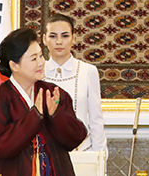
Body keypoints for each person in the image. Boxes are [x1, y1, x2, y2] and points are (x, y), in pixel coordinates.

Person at [0, 27, 86, 176]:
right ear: (14, 65)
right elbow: (2, 146)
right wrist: (35, 115)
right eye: (33, 59)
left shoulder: (53, 93)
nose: (41, 63)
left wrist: (55, 115)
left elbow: (76, 138)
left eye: (41, 56)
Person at [43, 13, 107, 154]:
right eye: (53, 36)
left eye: (65, 36)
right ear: (44, 39)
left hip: (83, 152)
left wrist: (99, 160)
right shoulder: (37, 72)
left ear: (73, 39)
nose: (59, 42)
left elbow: (96, 120)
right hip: (46, 155)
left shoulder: (88, 71)